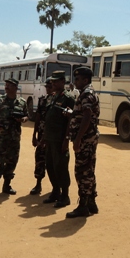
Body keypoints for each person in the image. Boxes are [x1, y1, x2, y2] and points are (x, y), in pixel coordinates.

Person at [66, 66, 100, 218]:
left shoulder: (86, 94)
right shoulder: (87, 92)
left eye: (78, 79)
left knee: (82, 172)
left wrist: (78, 139)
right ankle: (91, 202)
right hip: (89, 138)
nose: (75, 82)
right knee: (89, 170)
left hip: (86, 139)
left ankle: (83, 206)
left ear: (85, 80)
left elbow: (87, 116)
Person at [0, 78, 28, 197]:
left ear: (16, 88)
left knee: (12, 160)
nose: (6, 87)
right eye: (6, 85)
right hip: (2, 136)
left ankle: (7, 185)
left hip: (15, 137)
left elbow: (26, 116)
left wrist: (23, 119)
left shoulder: (22, 102)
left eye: (9, 85)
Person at [42, 71, 75, 208]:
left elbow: (70, 120)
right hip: (50, 138)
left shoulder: (68, 98)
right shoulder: (53, 96)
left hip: (60, 139)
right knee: (50, 165)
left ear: (63, 81)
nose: (53, 83)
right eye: (52, 81)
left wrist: (66, 139)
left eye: (56, 81)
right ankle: (55, 191)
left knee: (61, 167)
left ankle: (65, 196)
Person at [30, 78, 54, 195]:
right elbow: (38, 118)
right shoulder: (42, 100)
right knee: (39, 159)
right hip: (41, 135)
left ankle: (56, 188)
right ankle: (38, 184)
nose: (48, 89)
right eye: (47, 87)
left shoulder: (58, 101)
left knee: (53, 162)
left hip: (53, 137)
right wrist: (34, 134)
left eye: (50, 87)